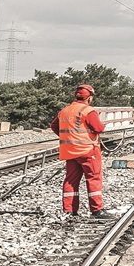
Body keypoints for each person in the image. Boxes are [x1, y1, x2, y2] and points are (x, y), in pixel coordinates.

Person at [51, 83, 108, 217]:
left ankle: (69, 210)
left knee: (71, 180)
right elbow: (98, 128)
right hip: (87, 150)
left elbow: (54, 126)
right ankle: (97, 209)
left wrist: (68, 137)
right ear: (89, 98)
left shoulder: (64, 111)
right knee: (93, 178)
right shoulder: (88, 111)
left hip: (70, 151)